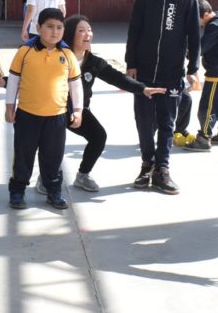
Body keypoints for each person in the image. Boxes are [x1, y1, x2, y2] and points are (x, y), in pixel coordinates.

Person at [55, 14, 164, 191]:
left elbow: (117, 78)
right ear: (70, 35)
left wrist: (142, 88)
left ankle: (82, 175)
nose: (87, 34)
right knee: (52, 142)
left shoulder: (93, 62)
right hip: (54, 109)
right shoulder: (58, 57)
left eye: (89, 30)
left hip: (80, 111)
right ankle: (46, 176)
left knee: (98, 136)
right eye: (81, 30)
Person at [125, 0, 201, 195]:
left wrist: (193, 68)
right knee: (144, 122)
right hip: (145, 72)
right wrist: (131, 64)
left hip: (171, 73)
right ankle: (147, 165)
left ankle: (163, 170)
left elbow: (193, 36)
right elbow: (134, 31)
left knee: (167, 124)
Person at [5, 8, 82, 209]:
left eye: (59, 27)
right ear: (38, 28)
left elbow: (75, 85)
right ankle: (18, 191)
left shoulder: (67, 54)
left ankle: (54, 191)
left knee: (53, 157)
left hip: (56, 117)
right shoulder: (25, 51)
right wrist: (9, 106)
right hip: (27, 115)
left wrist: (78, 110)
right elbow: (13, 80)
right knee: (23, 155)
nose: (54, 32)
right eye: (49, 27)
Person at [183, 0, 218, 151]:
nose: (197, 23)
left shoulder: (214, 26)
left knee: (207, 108)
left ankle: (204, 138)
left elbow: (201, 47)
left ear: (206, 14)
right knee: (217, 103)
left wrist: (187, 53)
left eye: (197, 19)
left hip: (217, 73)